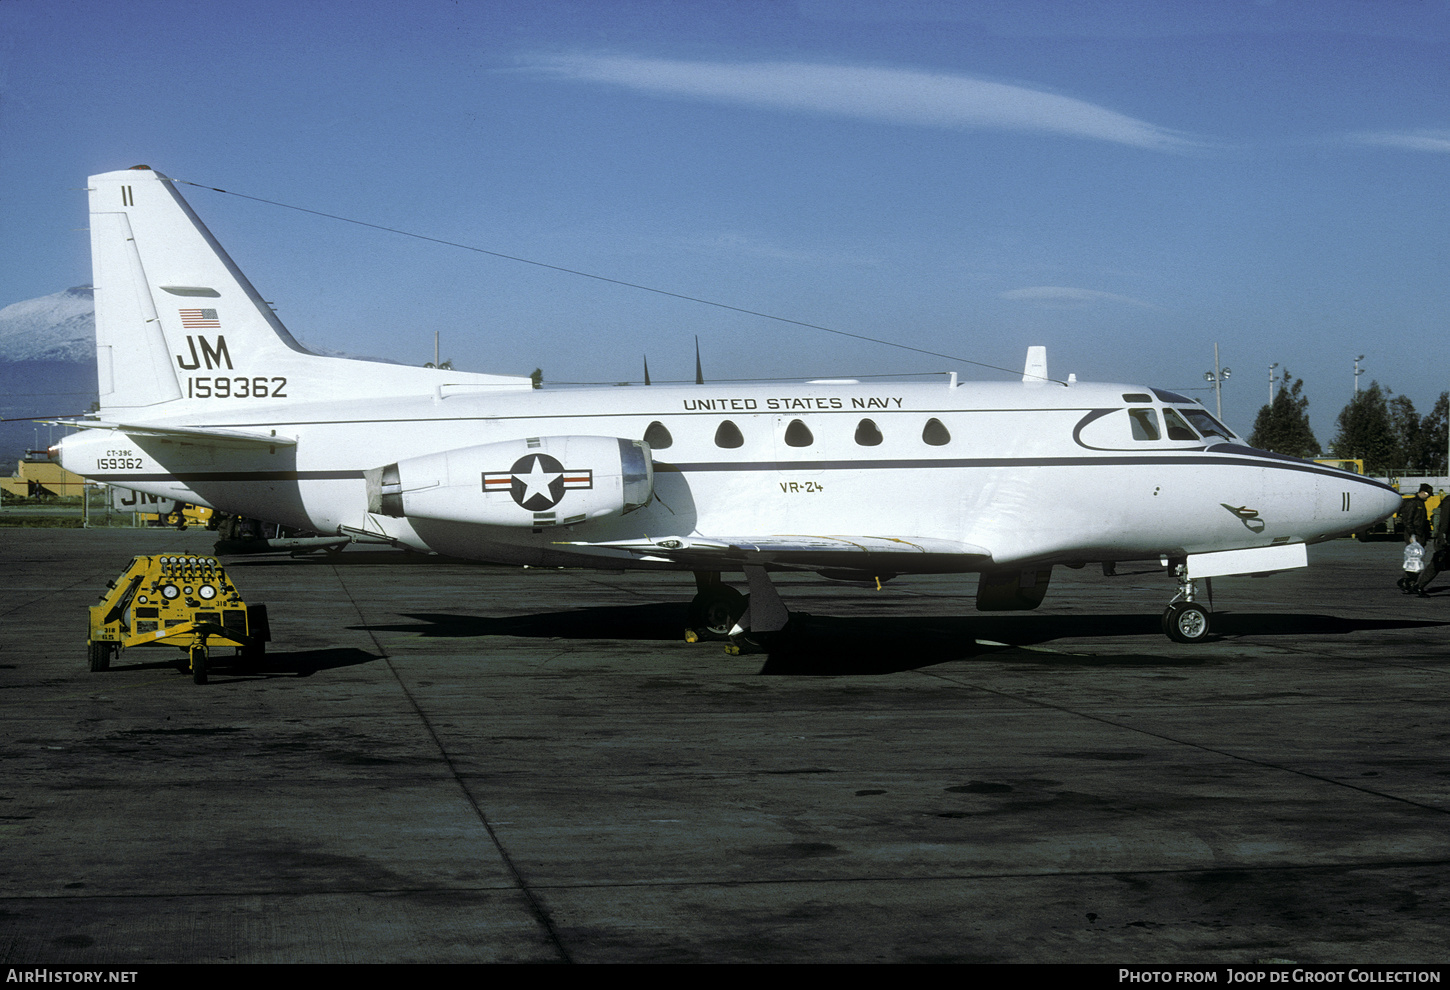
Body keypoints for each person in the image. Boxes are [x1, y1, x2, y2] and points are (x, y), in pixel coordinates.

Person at [1397, 484, 1433, 593]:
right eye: (1428, 495)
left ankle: (1410, 582)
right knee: (1414, 559)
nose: (1429, 497)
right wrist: (1412, 535)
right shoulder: (1413, 503)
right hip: (1414, 535)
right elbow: (1408, 521)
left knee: (1417, 559)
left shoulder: (1420, 503)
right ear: (1422, 492)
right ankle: (1406, 580)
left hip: (1419, 534)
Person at [1412, 489, 1447, 597]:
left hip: (1444, 539)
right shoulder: (1449, 502)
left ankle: (1418, 586)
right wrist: (1443, 538)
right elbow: (1445, 522)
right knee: (1437, 564)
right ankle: (1419, 586)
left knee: (1437, 564)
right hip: (1446, 540)